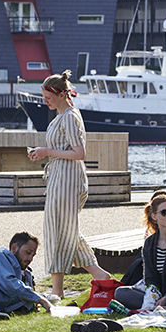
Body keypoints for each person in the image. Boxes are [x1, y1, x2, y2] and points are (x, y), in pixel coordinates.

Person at [27, 71, 111, 298]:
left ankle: (58, 291)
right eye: (44, 96)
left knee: (57, 230)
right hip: (59, 176)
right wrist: (44, 154)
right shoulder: (62, 117)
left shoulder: (71, 117)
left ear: (62, 94)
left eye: (48, 97)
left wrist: (47, 152)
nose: (45, 101)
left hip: (68, 179)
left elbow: (80, 153)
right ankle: (99, 275)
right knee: (64, 229)